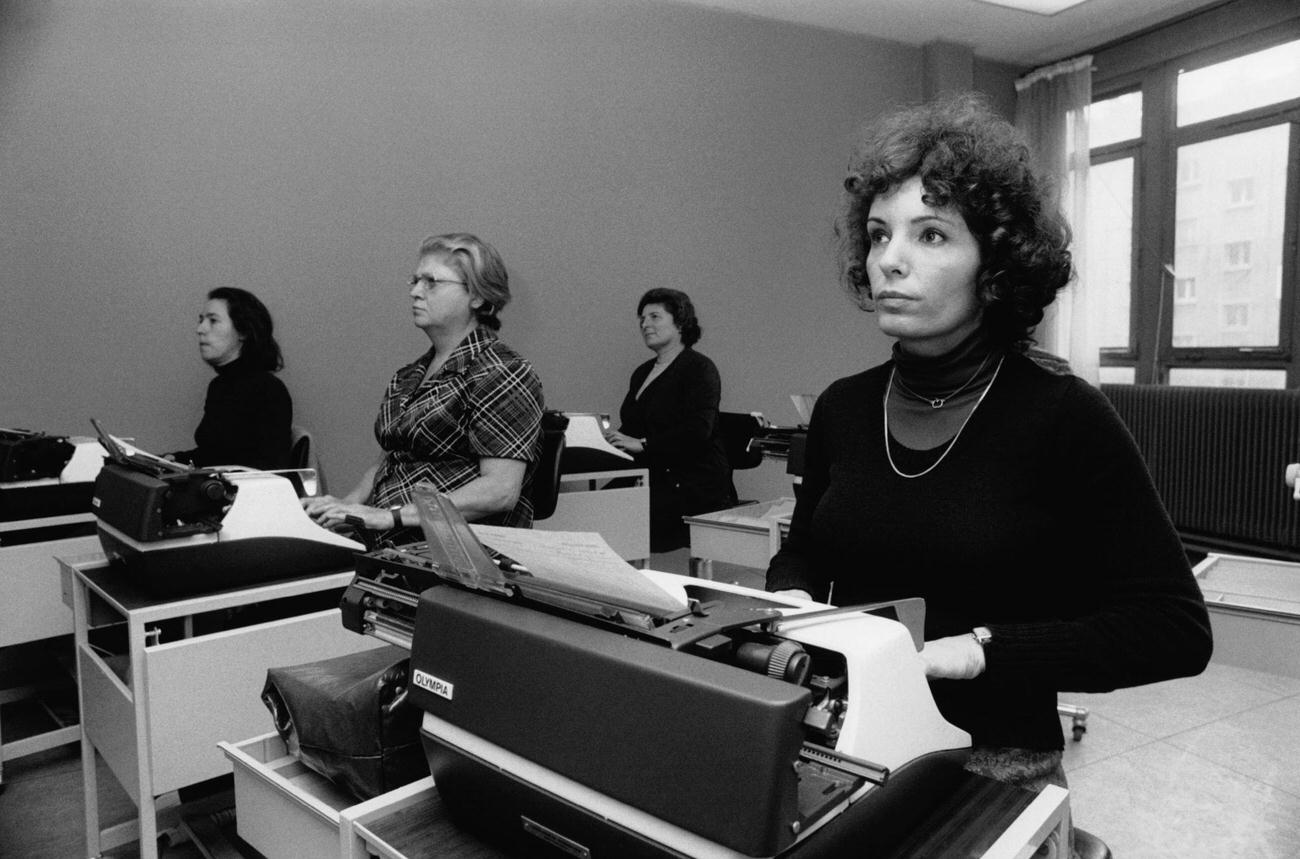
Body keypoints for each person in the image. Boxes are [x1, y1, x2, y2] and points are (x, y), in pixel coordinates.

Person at [765, 95, 1212, 809]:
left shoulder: (1062, 413)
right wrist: (788, 591)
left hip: (993, 768)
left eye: (931, 235)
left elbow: (1174, 629)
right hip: (843, 744)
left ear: (996, 263)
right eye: (879, 236)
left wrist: (978, 650)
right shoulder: (844, 407)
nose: (891, 261)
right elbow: (809, 548)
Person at [303, 233, 543, 544]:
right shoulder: (409, 375)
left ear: (477, 297)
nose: (416, 292)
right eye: (415, 280)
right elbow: (386, 463)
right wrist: (344, 508)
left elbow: (499, 491)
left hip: (453, 552)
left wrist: (391, 515)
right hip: (393, 540)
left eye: (431, 282)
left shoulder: (502, 371)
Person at [604, 288, 732, 552]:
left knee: (613, 516)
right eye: (642, 319)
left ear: (680, 322)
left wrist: (645, 445)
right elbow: (631, 427)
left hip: (689, 480)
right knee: (598, 505)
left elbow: (698, 431)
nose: (645, 325)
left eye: (654, 317)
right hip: (651, 472)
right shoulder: (642, 372)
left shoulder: (700, 368)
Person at [171, 287, 293, 471]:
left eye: (213, 321)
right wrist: (170, 460)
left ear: (243, 331)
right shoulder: (220, 385)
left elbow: (267, 466)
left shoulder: (267, 389)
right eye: (201, 320)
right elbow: (214, 455)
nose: (200, 329)